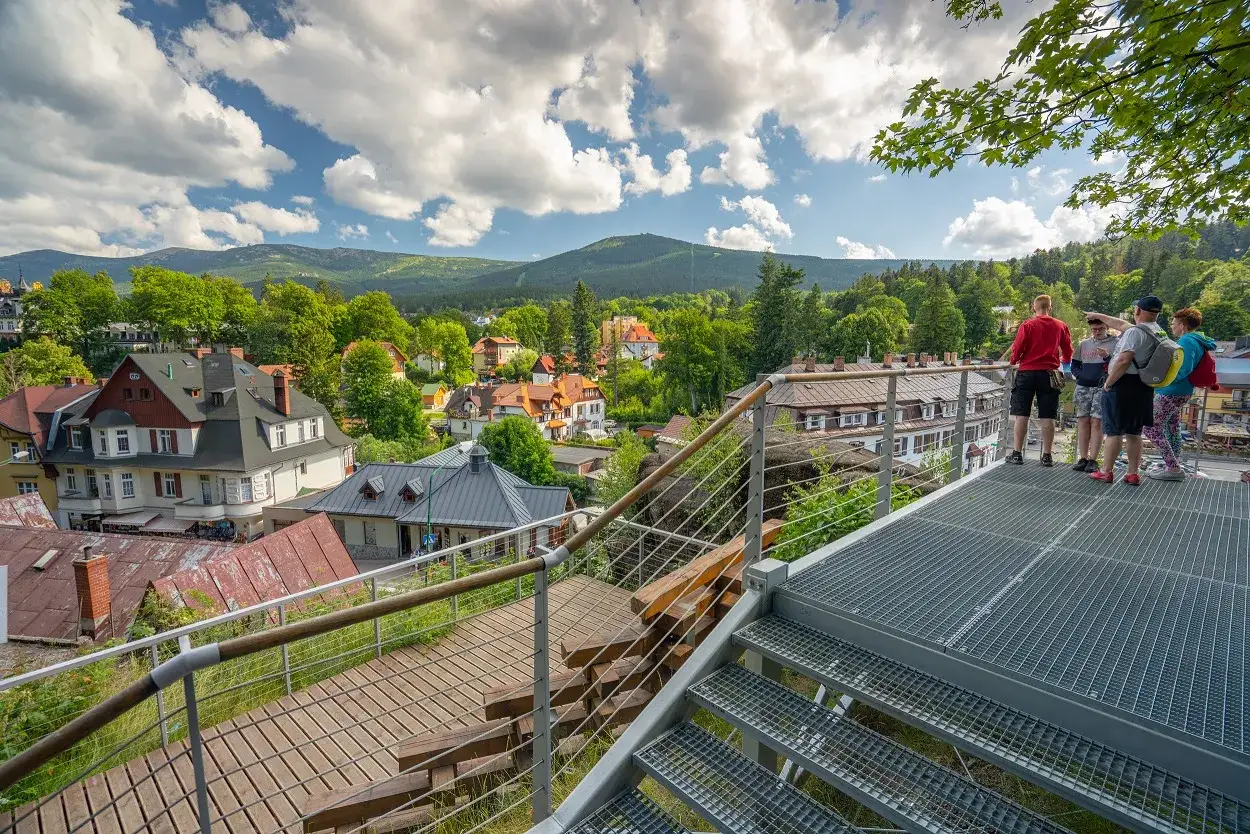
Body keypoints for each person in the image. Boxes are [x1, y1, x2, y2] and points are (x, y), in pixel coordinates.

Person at [1085, 296, 1168, 485]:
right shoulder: (1158, 331)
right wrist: (1097, 315)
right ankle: (1132, 473)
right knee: (1134, 431)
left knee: (1113, 430)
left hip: (1123, 384)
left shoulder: (1134, 333)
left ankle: (1106, 471)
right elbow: (1121, 324)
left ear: (1137, 311)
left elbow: (1124, 360)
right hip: (1143, 386)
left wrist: (1109, 383)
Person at [1142, 307, 1216, 480]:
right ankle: (1173, 464)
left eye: (1174, 323)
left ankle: (1173, 468)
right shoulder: (1196, 340)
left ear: (1182, 325)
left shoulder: (1188, 341)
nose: (1172, 326)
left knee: (1151, 427)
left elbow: (1183, 368)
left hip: (1172, 391)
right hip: (1181, 391)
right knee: (1172, 426)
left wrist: (1161, 380)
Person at [1006, 294, 1073, 466]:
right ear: (1049, 308)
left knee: (1021, 415)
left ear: (1034, 308)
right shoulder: (1061, 326)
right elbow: (1068, 350)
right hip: (1049, 374)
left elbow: (1018, 347)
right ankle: (1047, 456)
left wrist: (1013, 361)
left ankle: (1016, 454)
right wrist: (1064, 365)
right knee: (1047, 416)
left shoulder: (1027, 325)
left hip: (1027, 373)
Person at [1069, 316, 1120, 471]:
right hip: (1083, 387)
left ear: (1106, 327)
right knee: (1083, 421)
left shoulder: (1115, 343)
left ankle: (1093, 459)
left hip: (1102, 387)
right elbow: (1074, 364)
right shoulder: (1084, 344)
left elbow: (1119, 364)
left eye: (1100, 329)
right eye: (1094, 329)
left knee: (1097, 422)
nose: (1097, 332)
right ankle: (1083, 458)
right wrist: (1080, 375)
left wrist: (1107, 357)